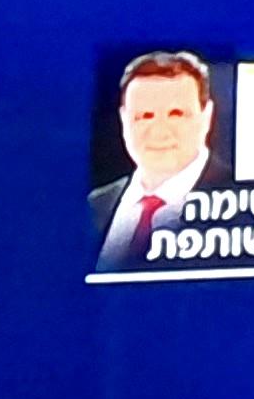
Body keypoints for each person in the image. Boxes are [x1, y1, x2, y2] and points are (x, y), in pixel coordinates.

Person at [90, 50, 229, 269]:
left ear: (207, 116)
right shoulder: (93, 206)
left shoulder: (247, 201)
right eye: (145, 116)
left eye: (176, 114)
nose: (159, 132)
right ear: (124, 119)